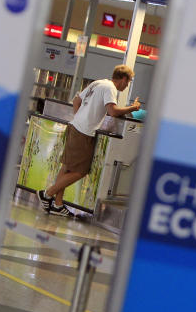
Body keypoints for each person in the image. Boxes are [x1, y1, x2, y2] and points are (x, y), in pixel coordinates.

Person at [38, 64, 141, 217]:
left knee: (66, 167)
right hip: (83, 132)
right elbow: (112, 111)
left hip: (75, 126)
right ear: (124, 78)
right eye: (129, 81)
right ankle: (47, 193)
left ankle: (58, 205)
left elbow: (76, 101)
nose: (127, 85)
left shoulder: (97, 83)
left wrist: (80, 118)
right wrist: (133, 108)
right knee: (81, 171)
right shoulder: (110, 88)